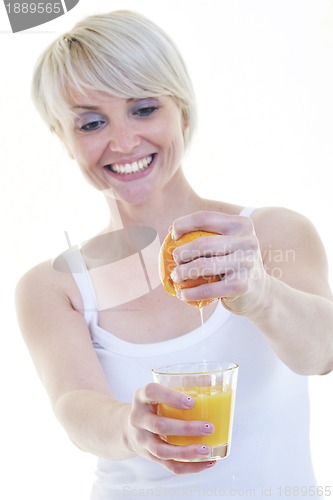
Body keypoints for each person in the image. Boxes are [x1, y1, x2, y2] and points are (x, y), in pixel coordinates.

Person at [15, 10, 333, 500]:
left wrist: (260, 293)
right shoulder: (53, 286)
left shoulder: (269, 234)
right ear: (64, 139)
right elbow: (75, 409)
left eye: (144, 109)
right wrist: (131, 426)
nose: (123, 142)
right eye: (91, 123)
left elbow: (323, 353)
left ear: (181, 110)